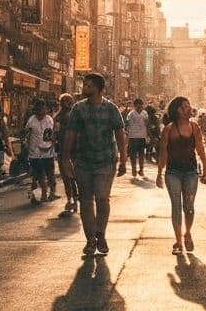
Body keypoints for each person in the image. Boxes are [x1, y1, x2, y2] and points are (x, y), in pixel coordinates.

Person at [62, 73, 126, 258]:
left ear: (98, 88)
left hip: (106, 160)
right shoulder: (78, 109)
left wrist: (123, 158)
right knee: (86, 200)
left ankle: (101, 234)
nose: (84, 89)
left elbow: (120, 134)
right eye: (84, 85)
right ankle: (90, 239)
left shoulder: (111, 109)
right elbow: (70, 134)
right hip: (82, 161)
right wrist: (66, 158)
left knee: (102, 199)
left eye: (88, 86)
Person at [156, 96, 206, 255]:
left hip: (191, 172)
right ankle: (178, 241)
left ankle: (188, 233)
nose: (189, 109)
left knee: (189, 207)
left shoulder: (195, 128)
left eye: (189, 106)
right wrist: (159, 173)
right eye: (185, 106)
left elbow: (200, 149)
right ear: (178, 110)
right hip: (172, 173)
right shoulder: (168, 129)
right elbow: (163, 153)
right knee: (176, 207)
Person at [24, 100, 57, 204]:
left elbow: (50, 136)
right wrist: (26, 145)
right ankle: (43, 193)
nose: (40, 111)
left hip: (47, 151)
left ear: (45, 109)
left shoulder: (49, 120)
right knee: (39, 174)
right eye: (38, 109)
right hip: (35, 152)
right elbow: (27, 134)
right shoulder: (31, 120)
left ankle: (52, 192)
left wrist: (49, 147)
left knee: (50, 173)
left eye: (42, 108)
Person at [54, 94, 79, 217]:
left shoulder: (59, 116)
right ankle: (73, 199)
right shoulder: (73, 116)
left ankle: (72, 200)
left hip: (68, 150)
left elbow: (56, 133)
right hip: (70, 150)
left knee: (68, 177)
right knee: (71, 176)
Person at [124, 98, 149, 178]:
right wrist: (127, 134)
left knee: (141, 154)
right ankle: (134, 168)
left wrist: (148, 135)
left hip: (142, 137)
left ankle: (141, 169)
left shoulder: (145, 114)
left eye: (141, 106)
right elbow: (126, 124)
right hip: (133, 137)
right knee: (133, 155)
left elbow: (147, 124)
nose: (140, 108)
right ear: (134, 106)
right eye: (138, 106)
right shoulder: (131, 114)